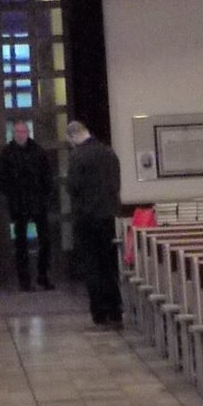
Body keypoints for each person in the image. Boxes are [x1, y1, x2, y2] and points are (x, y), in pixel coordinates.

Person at [64, 117, 123, 326]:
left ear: (73, 137)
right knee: (108, 265)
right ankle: (115, 309)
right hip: (108, 216)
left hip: (86, 217)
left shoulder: (78, 156)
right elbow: (116, 184)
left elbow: (72, 186)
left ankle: (99, 312)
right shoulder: (109, 152)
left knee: (92, 265)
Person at [0, 116, 54, 290]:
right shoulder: (7, 153)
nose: (21, 135)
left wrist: (45, 195)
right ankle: (24, 280)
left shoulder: (38, 151)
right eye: (17, 132)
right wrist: (11, 195)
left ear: (28, 133)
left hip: (38, 202)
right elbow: (1, 178)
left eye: (23, 131)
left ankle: (43, 275)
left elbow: (47, 176)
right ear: (13, 134)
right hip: (18, 203)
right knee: (20, 243)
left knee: (45, 240)